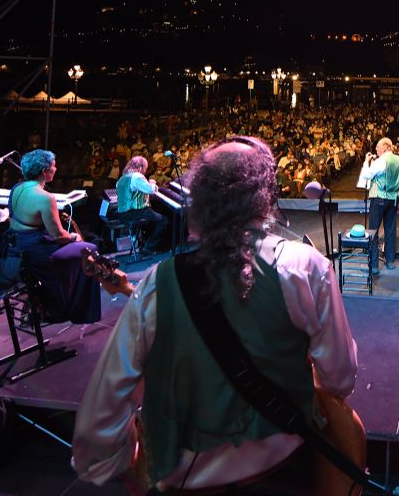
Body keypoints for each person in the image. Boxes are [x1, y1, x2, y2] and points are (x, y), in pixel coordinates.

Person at [72, 136, 357, 494]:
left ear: (200, 202)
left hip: (185, 482)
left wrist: (127, 461)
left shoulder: (159, 283)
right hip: (286, 473)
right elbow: (340, 380)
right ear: (266, 195)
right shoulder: (306, 267)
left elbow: (99, 422)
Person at [0, 150, 100, 323]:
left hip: (15, 245)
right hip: (34, 252)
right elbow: (58, 236)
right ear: (44, 171)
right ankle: (76, 310)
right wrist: (73, 237)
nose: (56, 169)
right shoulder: (45, 198)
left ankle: (59, 299)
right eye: (54, 166)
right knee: (89, 249)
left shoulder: (16, 188)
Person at [357, 137, 399, 275]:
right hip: (393, 199)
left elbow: (367, 175)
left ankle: (374, 265)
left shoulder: (381, 161)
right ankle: (390, 261)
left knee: (373, 232)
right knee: (390, 230)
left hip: (379, 198)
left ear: (386, 147)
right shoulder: (398, 160)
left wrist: (366, 162)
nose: (376, 149)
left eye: (378, 146)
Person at [114, 155, 170, 254]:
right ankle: (149, 248)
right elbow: (151, 190)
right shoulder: (137, 176)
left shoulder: (121, 179)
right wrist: (152, 181)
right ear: (141, 167)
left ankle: (144, 244)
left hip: (122, 215)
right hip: (136, 212)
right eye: (145, 168)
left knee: (152, 219)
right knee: (163, 220)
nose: (145, 171)